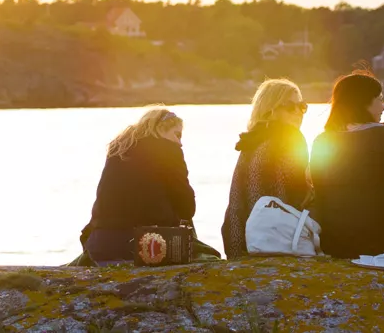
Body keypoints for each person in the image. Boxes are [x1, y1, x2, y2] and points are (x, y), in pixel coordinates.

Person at [79, 106, 195, 264]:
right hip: (144, 245)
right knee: (198, 244)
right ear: (160, 129)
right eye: (177, 134)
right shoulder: (169, 151)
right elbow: (187, 208)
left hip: (100, 245)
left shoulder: (118, 150)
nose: (179, 143)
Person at [309, 70, 384, 259]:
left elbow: (318, 192)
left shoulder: (322, 141)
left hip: (333, 242)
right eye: (380, 99)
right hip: (381, 245)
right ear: (363, 101)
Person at [221, 78, 310, 259]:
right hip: (279, 241)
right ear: (270, 110)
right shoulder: (291, 137)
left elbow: (237, 204)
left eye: (301, 106)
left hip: (243, 244)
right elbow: (300, 195)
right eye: (290, 107)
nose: (298, 112)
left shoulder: (249, 142)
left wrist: (236, 253)